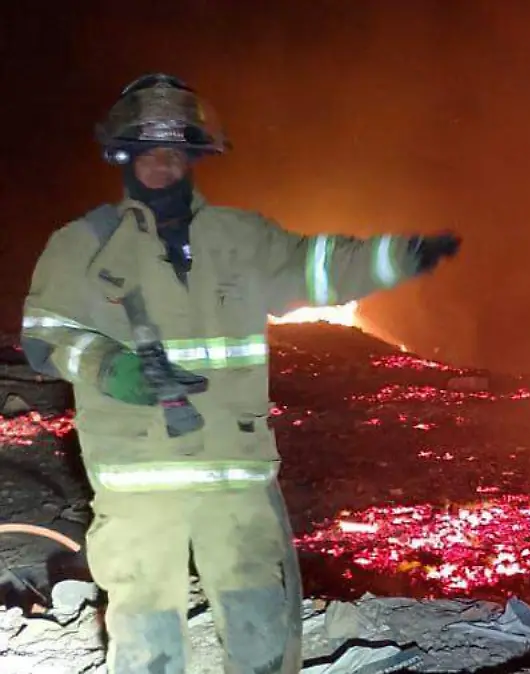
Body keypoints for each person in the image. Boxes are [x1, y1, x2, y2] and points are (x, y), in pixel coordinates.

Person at [20, 73, 462, 674]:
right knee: (145, 630)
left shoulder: (241, 239)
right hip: (137, 478)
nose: (162, 165)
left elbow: (319, 267)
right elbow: (45, 336)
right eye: (148, 151)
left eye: (174, 152)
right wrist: (111, 368)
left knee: (259, 625)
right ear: (122, 156)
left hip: (235, 477)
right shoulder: (81, 246)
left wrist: (398, 257)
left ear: (194, 158)